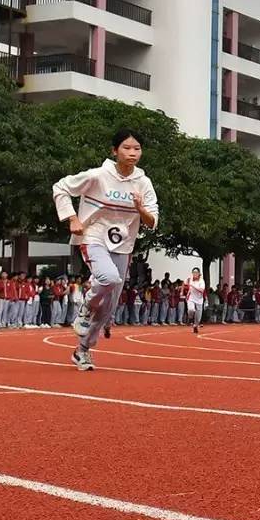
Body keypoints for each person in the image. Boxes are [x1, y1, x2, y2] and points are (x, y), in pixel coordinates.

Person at [54, 128, 159, 372]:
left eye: (137, 149)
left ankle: (82, 351)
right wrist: (71, 218)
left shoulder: (143, 183)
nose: (132, 153)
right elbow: (60, 187)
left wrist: (140, 209)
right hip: (93, 237)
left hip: (123, 245)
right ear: (114, 151)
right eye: (127, 148)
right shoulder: (99, 175)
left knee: (108, 307)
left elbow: (152, 221)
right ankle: (84, 308)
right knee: (108, 278)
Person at [185, 268, 207, 333]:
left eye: (196, 272)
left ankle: (195, 326)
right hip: (191, 299)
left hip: (199, 300)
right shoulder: (190, 280)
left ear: (199, 274)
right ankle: (190, 318)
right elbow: (188, 287)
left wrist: (193, 286)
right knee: (191, 309)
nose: (195, 274)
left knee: (198, 317)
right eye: (193, 272)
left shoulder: (201, 281)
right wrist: (187, 293)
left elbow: (202, 290)